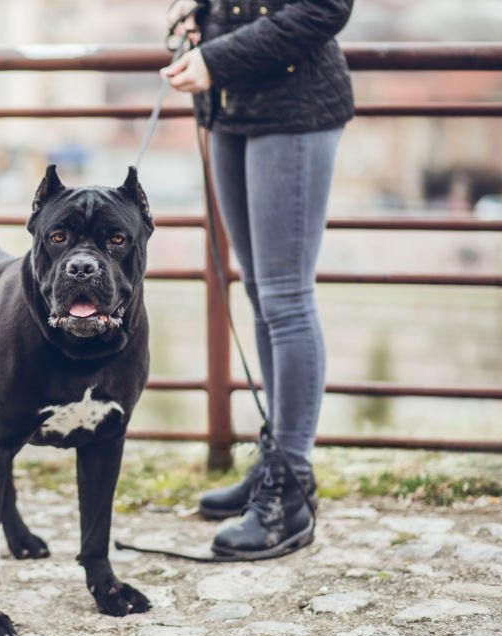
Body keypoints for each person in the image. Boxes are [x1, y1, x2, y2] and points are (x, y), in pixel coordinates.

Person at [160, 0, 355, 559]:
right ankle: (278, 463)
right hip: (231, 107)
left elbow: (324, 9)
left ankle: (289, 487)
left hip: (294, 110)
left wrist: (216, 57)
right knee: (260, 293)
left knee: (286, 297)